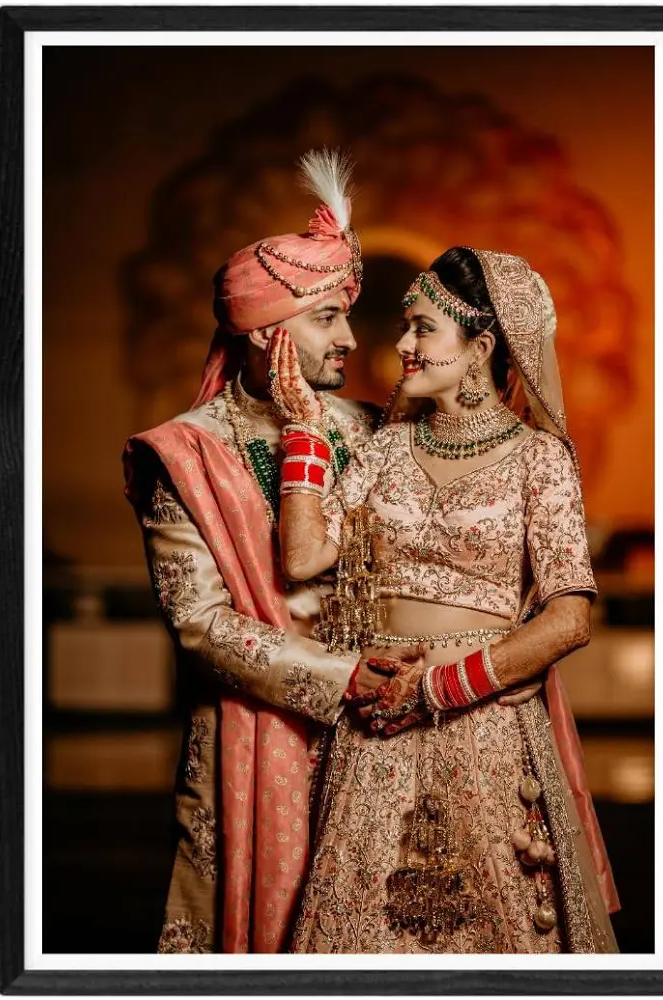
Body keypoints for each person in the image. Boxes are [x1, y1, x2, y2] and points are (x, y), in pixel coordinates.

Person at [270, 246, 621, 953]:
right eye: (407, 325)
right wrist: (304, 430)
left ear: (480, 348)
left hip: (483, 723)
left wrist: (438, 688)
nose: (402, 343)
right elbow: (304, 557)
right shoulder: (385, 450)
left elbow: (569, 619)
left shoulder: (540, 459)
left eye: (423, 328)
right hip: (375, 727)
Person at [122, 150, 426, 953]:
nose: (349, 339)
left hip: (389, 727)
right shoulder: (186, 453)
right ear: (264, 332)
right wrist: (342, 677)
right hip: (258, 737)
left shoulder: (369, 429)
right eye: (326, 318)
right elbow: (201, 624)